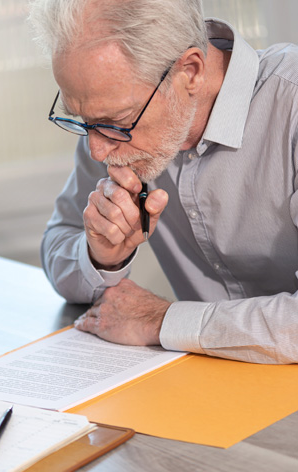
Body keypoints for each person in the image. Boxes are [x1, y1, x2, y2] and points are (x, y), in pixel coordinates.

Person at [29, 0, 298, 364]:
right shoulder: (107, 120)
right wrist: (102, 255)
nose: (96, 151)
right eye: (82, 120)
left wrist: (160, 320)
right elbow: (59, 242)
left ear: (190, 70)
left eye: (116, 121)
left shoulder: (292, 105)